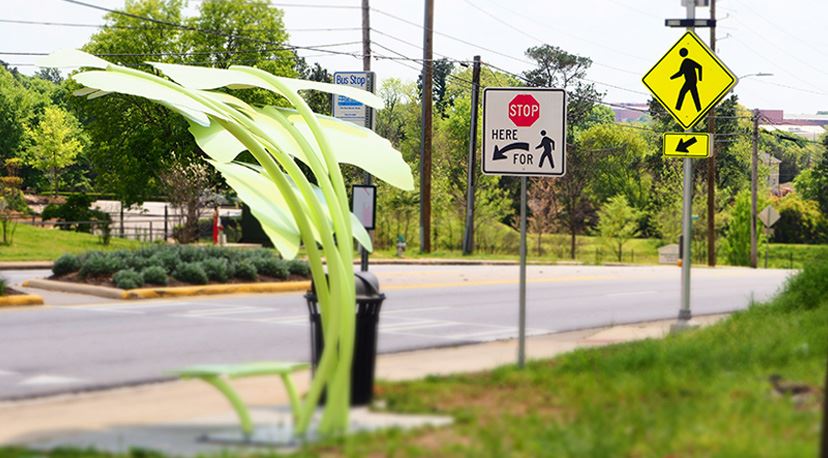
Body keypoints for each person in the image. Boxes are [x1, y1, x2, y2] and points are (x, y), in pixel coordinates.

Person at [671, 48, 702, 112]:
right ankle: (698, 109)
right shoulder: (686, 61)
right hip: (690, 81)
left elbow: (700, 67)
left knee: (683, 93)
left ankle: (678, 108)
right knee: (694, 95)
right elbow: (680, 73)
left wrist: (700, 79)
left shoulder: (687, 61)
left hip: (690, 81)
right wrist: (672, 77)